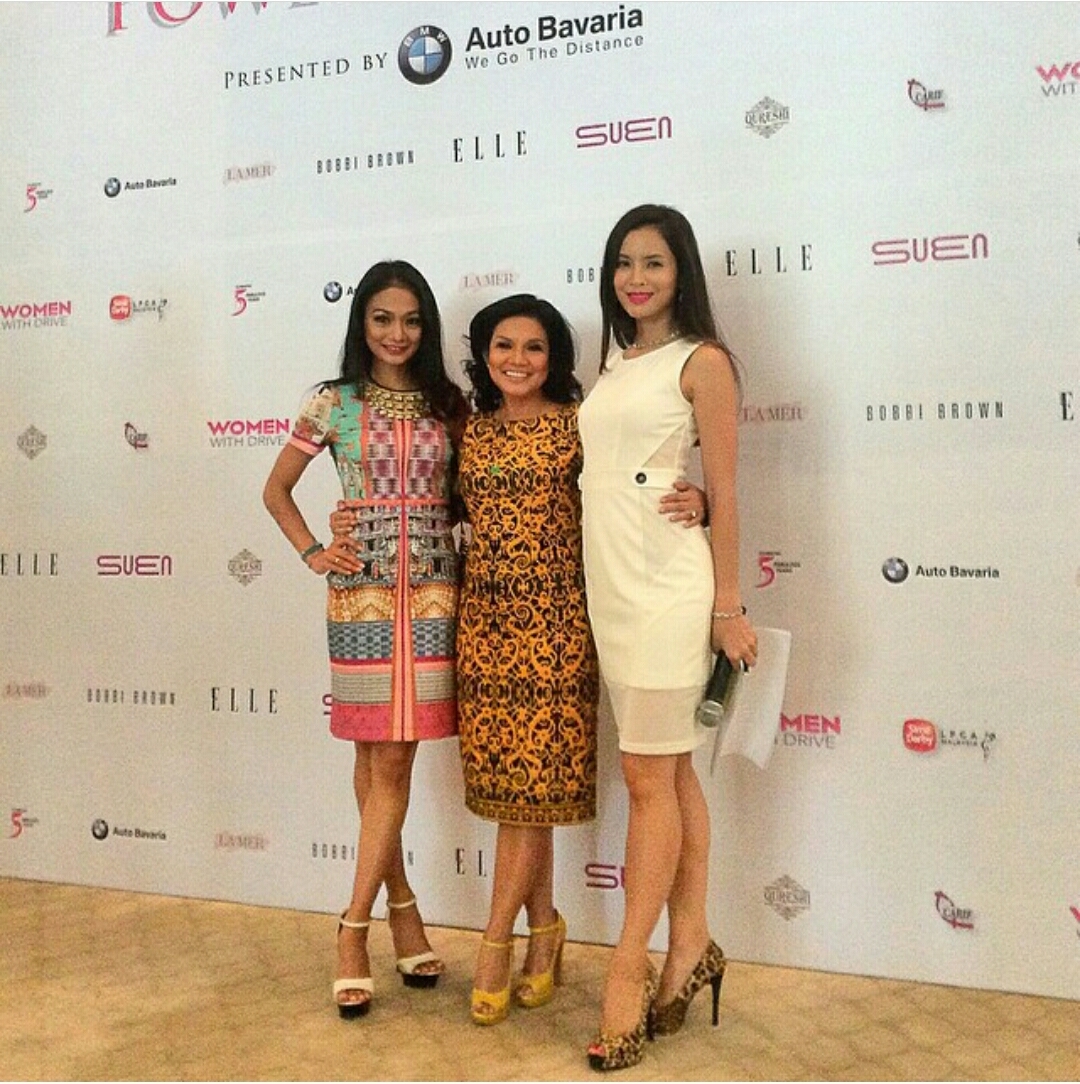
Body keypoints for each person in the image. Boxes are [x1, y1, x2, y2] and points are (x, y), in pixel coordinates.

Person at [455, 294, 707, 1028]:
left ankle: (496, 942)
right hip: (484, 626)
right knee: (509, 790)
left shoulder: (578, 426)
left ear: (556, 358)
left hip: (560, 624)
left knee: (530, 789)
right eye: (504, 345)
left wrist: (702, 499)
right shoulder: (470, 432)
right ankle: (545, 932)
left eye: (534, 347)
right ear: (484, 354)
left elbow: (636, 483)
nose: (518, 360)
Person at [262, 259, 469, 1019]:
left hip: (437, 594)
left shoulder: (450, 405)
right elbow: (276, 490)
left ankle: (375, 919)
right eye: (383, 318)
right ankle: (375, 924)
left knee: (392, 757)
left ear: (427, 327)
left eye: (411, 320)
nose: (397, 333)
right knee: (376, 754)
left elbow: (468, 497)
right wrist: (316, 551)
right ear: (362, 323)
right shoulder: (333, 400)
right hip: (362, 598)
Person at [577, 205, 758, 1071]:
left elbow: (725, 486)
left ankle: (628, 967)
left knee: (648, 778)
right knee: (670, 772)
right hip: (611, 589)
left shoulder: (703, 362)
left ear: (681, 269)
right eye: (623, 262)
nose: (635, 277)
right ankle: (691, 942)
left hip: (668, 593)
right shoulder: (616, 364)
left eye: (653, 261)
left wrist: (729, 606)